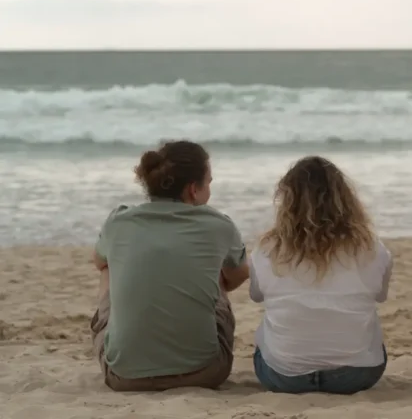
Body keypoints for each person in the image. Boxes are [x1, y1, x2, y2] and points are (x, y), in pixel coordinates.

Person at [90, 140, 249, 391]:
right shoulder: (219, 225)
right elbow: (239, 275)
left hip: (124, 377)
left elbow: (99, 261)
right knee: (214, 270)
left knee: (109, 267)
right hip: (206, 372)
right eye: (209, 182)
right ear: (193, 189)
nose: (210, 188)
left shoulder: (118, 222)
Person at [249, 156, 391, 394]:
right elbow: (380, 296)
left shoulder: (267, 249)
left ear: (287, 200)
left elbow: (256, 295)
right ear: (345, 199)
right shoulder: (371, 248)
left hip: (283, 376)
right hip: (357, 375)